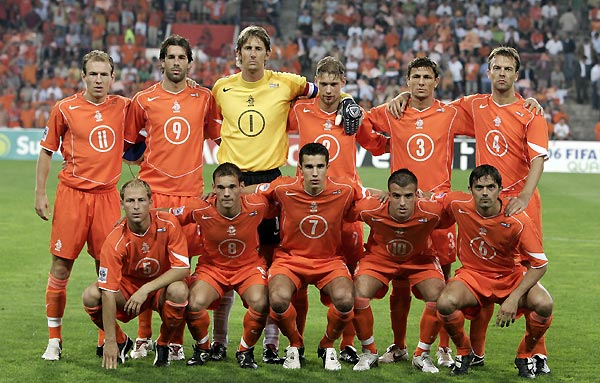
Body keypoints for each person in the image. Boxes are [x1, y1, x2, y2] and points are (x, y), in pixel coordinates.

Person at [387, 47, 548, 368]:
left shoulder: (530, 111)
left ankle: (536, 352)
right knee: (483, 272)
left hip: (520, 205)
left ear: (516, 75)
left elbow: (538, 159)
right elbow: (433, 107)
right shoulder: (473, 105)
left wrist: (524, 199)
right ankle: (475, 352)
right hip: (484, 201)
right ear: (488, 73)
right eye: (496, 68)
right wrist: (407, 94)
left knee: (528, 277)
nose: (502, 73)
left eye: (508, 69)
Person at [211, 25, 360, 363]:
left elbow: (326, 89)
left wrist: (349, 101)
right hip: (231, 182)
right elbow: (211, 124)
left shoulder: (287, 82)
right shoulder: (221, 88)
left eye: (257, 48)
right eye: (246, 48)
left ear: (267, 53)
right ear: (238, 54)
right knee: (225, 260)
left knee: (267, 263)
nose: (252, 53)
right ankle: (220, 340)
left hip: (269, 183)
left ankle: (271, 343)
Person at [123, 34, 220, 361]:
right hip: (154, 192)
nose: (176, 62)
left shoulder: (204, 98)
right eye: (171, 57)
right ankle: (143, 336)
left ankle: (174, 340)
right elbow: (129, 144)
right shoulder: (143, 99)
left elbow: (219, 137)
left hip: (190, 194)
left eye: (182, 57)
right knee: (147, 263)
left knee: (183, 267)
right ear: (161, 62)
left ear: (189, 63)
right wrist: (145, 164)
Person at [286, 55, 388, 365]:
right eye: (324, 83)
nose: (329, 90)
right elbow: (272, 108)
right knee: (298, 277)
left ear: (343, 83)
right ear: (318, 82)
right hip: (307, 206)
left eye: (335, 84)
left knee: (352, 280)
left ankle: (345, 343)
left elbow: (378, 146)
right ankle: (296, 343)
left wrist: (360, 109)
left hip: (348, 210)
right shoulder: (301, 110)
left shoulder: (353, 116)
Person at [367, 56, 467, 368]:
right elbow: (363, 124)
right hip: (402, 211)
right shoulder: (394, 111)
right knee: (399, 280)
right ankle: (398, 346)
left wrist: (528, 100)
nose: (421, 82)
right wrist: (391, 109)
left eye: (426, 77)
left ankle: (443, 347)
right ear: (408, 81)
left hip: (438, 212)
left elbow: (490, 110)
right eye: (415, 77)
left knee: (445, 280)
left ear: (437, 81)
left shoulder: (450, 113)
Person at [35, 50, 130, 361]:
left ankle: (107, 337)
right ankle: (54, 340)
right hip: (72, 197)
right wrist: (40, 193)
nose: (99, 79)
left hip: (106, 198)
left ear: (113, 78)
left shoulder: (122, 106)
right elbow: (47, 151)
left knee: (106, 270)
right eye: (94, 74)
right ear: (84, 77)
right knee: (61, 266)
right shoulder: (65, 108)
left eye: (105, 74)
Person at [253, 143, 367, 371]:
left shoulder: (344, 189)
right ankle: (296, 344)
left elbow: (371, 196)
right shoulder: (283, 188)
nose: (314, 173)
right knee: (277, 299)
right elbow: (253, 190)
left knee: (346, 300)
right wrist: (224, 192)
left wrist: (401, 197)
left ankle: (327, 344)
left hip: (329, 261)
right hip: (290, 260)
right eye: (309, 167)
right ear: (300, 167)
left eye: (319, 167)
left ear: (328, 167)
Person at [436, 165, 553, 378]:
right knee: (445, 303)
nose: (485, 192)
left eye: (491, 187)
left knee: (544, 304)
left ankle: (525, 355)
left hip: (509, 277)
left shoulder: (517, 218)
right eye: (479, 187)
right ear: (470, 189)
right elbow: (431, 201)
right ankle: (464, 352)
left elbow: (540, 264)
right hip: (472, 276)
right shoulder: (458, 203)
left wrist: (514, 298)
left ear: (500, 189)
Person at [349, 169, 454, 373]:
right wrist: (366, 191)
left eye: (408, 196)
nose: (403, 203)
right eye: (396, 196)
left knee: (440, 297)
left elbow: (455, 210)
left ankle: (421, 354)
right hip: (380, 259)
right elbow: (345, 204)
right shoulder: (370, 208)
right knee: (357, 294)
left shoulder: (431, 211)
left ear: (417, 195)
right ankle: (369, 351)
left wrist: (433, 196)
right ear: (388, 195)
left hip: (419, 260)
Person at [168, 163, 272, 369]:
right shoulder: (200, 208)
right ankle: (203, 348)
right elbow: (169, 214)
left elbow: (284, 195)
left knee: (260, 303)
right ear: (213, 189)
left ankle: (245, 351)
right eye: (221, 188)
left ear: (241, 186)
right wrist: (141, 214)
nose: (226, 193)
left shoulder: (258, 205)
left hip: (248, 268)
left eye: (232, 187)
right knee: (194, 303)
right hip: (213, 269)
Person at [81, 179, 190, 368]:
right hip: (128, 294)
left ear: (151, 201)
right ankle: (122, 341)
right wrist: (111, 341)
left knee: (180, 290)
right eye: (130, 201)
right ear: (122, 204)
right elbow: (108, 291)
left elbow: (182, 269)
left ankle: (163, 343)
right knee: (91, 296)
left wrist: (146, 289)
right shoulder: (114, 240)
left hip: (158, 289)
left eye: (141, 200)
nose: (136, 206)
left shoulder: (169, 224)